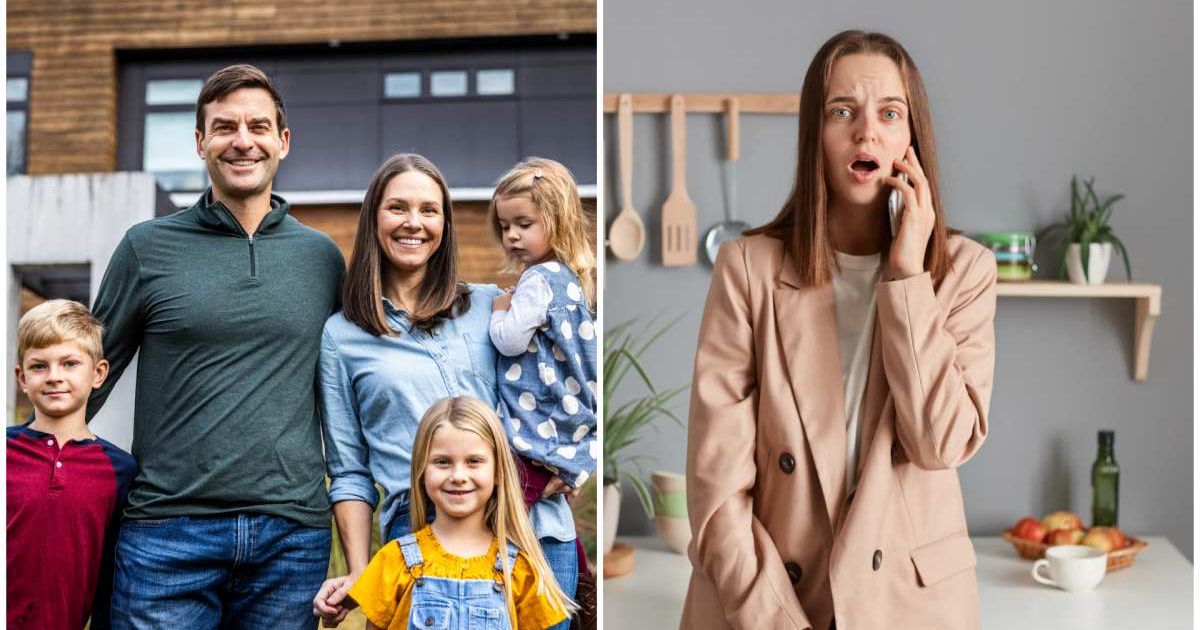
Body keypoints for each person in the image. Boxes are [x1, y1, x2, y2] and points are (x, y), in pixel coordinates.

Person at [681, 30, 997, 630]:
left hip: (905, 605)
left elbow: (940, 443)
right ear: (814, 136)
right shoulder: (748, 268)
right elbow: (716, 487)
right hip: (765, 598)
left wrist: (906, 276)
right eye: (841, 111)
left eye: (889, 113)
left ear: (912, 138)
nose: (866, 132)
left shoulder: (964, 273)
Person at [89, 64, 345, 628]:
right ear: (202, 142)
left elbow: (355, 378)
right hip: (166, 530)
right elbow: (89, 370)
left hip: (291, 535)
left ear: (283, 141)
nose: (242, 140)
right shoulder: (146, 247)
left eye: (258, 126)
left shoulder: (322, 258)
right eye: (225, 127)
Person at [313, 154, 580, 627]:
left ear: (445, 223)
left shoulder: (495, 307)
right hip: (415, 537)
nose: (413, 223)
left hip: (533, 530)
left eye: (429, 210)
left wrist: (575, 459)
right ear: (374, 216)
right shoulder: (343, 335)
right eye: (398, 207)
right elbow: (349, 469)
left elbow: (567, 379)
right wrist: (359, 568)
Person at [346, 396, 573, 630]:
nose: (458, 476)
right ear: (422, 471)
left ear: (498, 472)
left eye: (474, 461)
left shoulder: (519, 569)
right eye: (443, 462)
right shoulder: (394, 560)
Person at [8, 300, 137, 629]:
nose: (54, 376)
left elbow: (114, 576)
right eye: (39, 366)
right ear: (22, 377)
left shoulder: (119, 470)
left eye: (69, 364)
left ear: (98, 373)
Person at [488, 157, 598, 497]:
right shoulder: (569, 279)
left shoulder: (537, 279)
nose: (512, 236)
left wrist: (499, 311)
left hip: (534, 418)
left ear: (558, 223)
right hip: (563, 415)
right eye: (505, 227)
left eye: (524, 224)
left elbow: (510, 341)